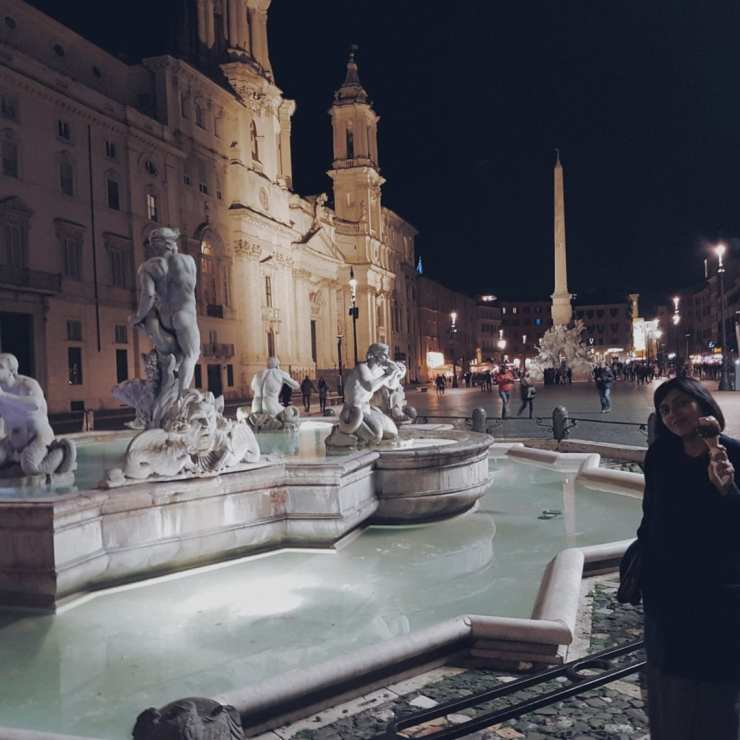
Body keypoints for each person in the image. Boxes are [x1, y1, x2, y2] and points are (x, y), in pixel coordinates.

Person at [635, 377, 740, 739]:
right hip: (667, 591)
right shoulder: (660, 455)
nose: (672, 414)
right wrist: (645, 567)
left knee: (715, 690)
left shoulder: (732, 454)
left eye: (681, 403)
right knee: (668, 686)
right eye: (664, 409)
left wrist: (727, 490)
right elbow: (650, 515)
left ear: (703, 405)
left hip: (717, 592)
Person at [131, 227, 200, 399]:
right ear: (171, 243)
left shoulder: (148, 267)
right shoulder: (189, 261)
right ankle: (181, 399)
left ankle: (167, 389)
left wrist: (137, 317)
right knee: (191, 355)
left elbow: (148, 295)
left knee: (174, 355)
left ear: (155, 246)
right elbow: (191, 289)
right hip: (185, 314)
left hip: (164, 318)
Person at [337, 343, 405, 444]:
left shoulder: (378, 371)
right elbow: (370, 386)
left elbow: (392, 385)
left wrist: (397, 373)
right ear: (371, 356)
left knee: (392, 432)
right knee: (375, 436)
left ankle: (358, 435)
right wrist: (387, 375)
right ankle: (340, 436)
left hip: (366, 409)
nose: (387, 358)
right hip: (353, 411)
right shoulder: (362, 368)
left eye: (387, 355)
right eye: (384, 355)